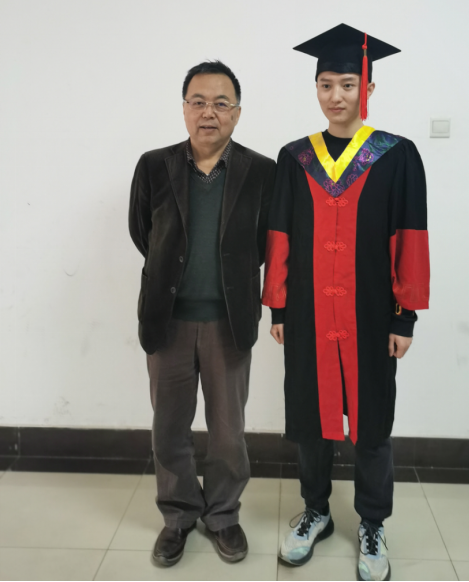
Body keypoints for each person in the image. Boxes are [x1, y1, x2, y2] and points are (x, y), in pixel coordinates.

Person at [262, 24, 430, 582]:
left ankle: (372, 521)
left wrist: (405, 315)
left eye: (348, 84)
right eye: (326, 84)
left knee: (371, 422)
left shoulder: (396, 156)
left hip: (372, 315)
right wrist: (279, 307)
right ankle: (315, 511)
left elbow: (410, 237)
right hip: (308, 313)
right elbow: (280, 235)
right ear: (316, 88)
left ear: (369, 89)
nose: (336, 95)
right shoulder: (295, 158)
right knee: (310, 416)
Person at [129, 60, 276, 567]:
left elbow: (266, 243)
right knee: (168, 427)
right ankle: (177, 516)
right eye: (198, 102)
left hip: (228, 322)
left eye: (220, 103)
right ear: (184, 108)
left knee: (228, 431)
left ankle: (223, 515)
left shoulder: (261, 171)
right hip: (167, 320)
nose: (208, 112)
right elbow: (143, 233)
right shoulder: (154, 165)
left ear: (237, 112)